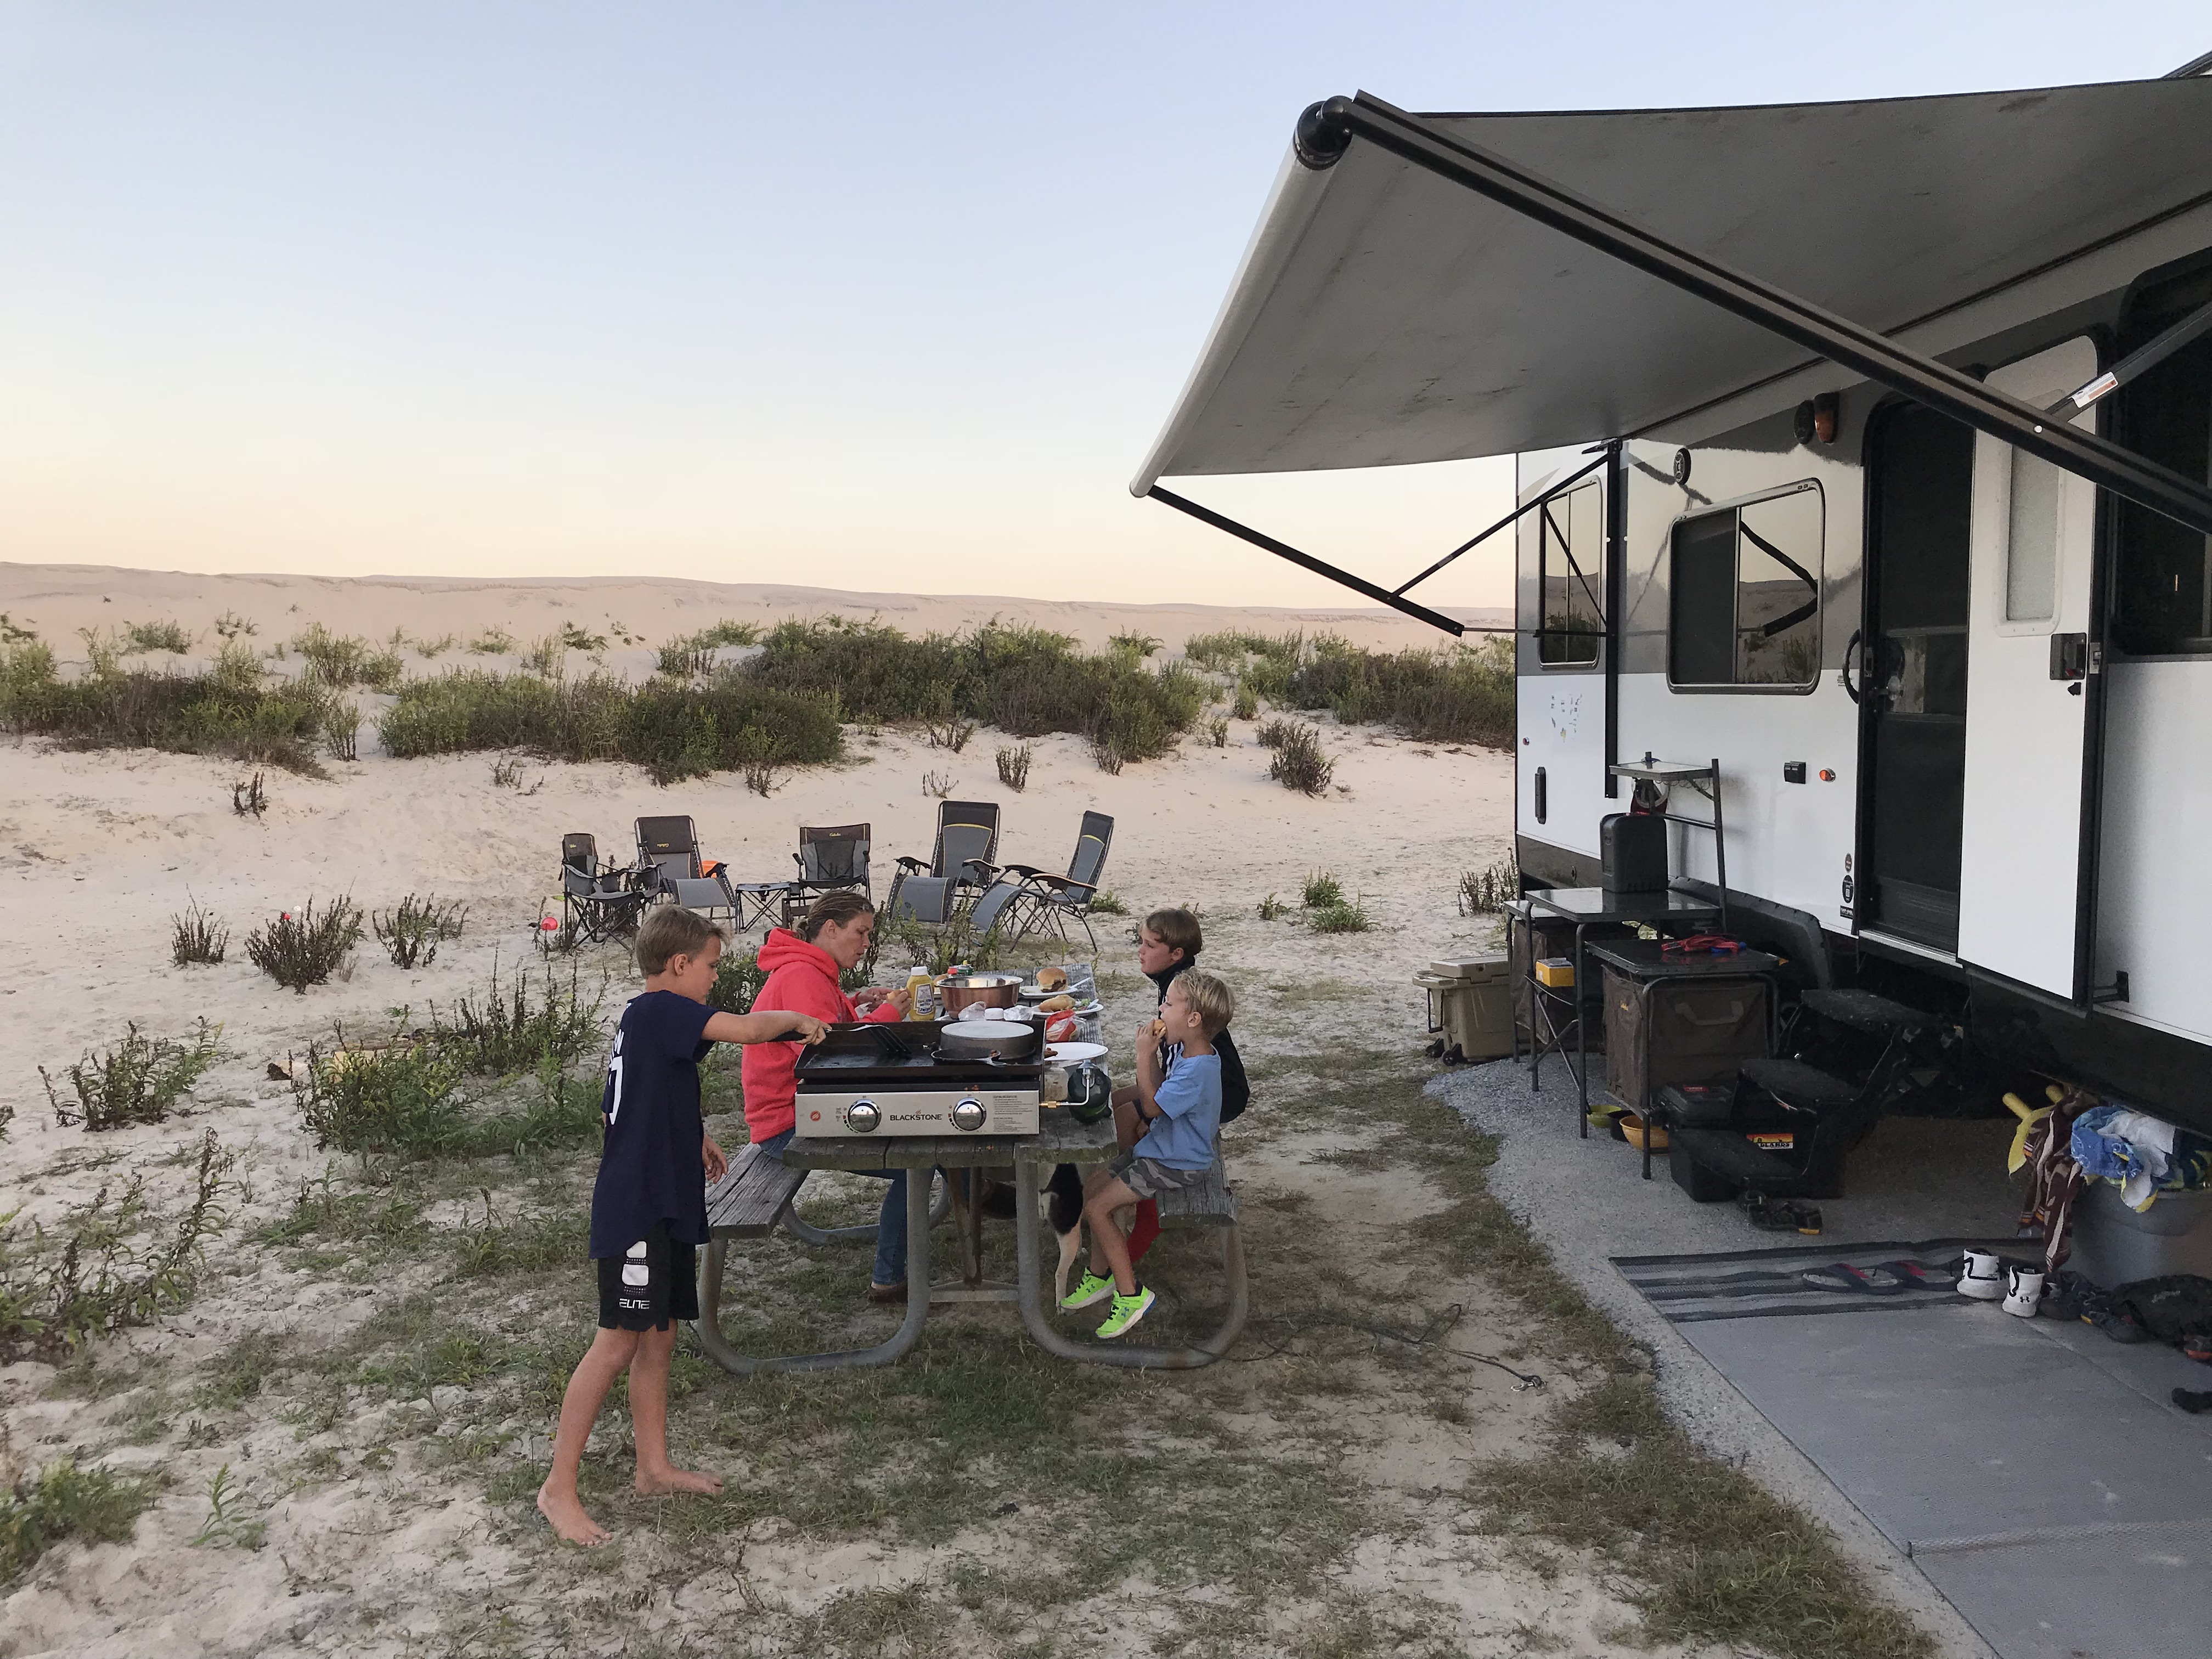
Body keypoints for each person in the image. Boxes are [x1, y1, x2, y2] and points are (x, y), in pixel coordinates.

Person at [539, 905, 830, 1547]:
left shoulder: (655, 1022)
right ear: (678, 964)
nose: (712, 979)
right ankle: (558, 1487)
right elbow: (751, 1031)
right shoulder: (658, 1010)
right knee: (616, 1342)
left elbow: (646, 1089)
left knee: (661, 1336)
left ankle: (653, 1467)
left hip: (667, 1195)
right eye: (710, 967)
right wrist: (800, 1021)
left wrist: (694, 1133)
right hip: (637, 1205)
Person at [743, 890, 916, 1300]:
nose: (866, 944)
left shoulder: (810, 970)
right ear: (831, 929)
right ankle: (888, 1279)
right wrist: (887, 1017)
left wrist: (856, 1001)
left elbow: (827, 1025)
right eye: (861, 933)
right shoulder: (802, 975)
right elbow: (826, 1057)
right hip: (789, 1122)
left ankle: (976, 1202)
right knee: (916, 1163)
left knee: (923, 1138)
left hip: (802, 1110)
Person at [1060, 969, 1235, 1338]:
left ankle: (1131, 1295)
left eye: (1169, 1004)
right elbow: (1155, 1088)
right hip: (1159, 1149)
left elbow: (1152, 1107)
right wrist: (1154, 1053)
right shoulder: (1188, 1052)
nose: (1161, 1007)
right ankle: (1100, 1276)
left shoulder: (1199, 1069)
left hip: (1176, 1163)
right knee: (1092, 1189)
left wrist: (1142, 1055)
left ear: (1194, 1019)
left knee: (1097, 1209)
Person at [1115, 907, 1248, 1261]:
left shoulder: (1183, 991)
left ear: (1176, 955)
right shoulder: (1175, 985)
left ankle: (1133, 1195)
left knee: (1126, 1118)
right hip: (1195, 1085)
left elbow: (1173, 1071)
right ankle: (1125, 1190)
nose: (1141, 951)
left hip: (1217, 1093)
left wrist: (1148, 1113)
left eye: (1149, 945)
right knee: (1115, 1102)